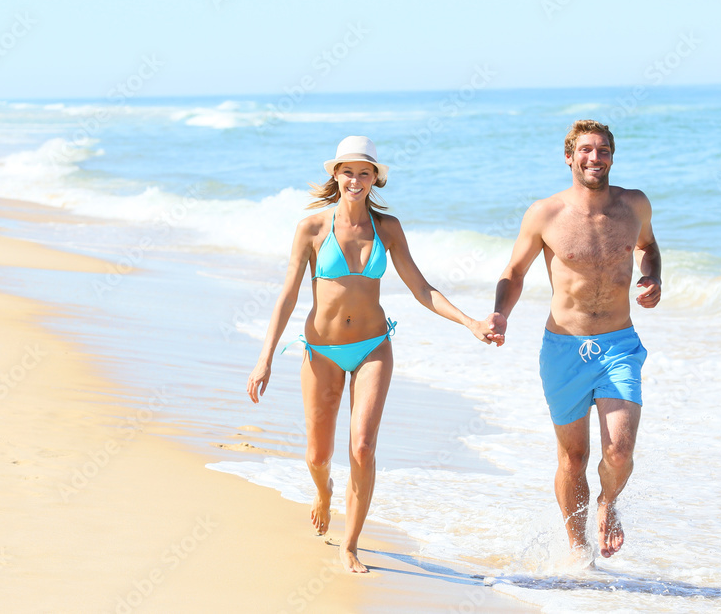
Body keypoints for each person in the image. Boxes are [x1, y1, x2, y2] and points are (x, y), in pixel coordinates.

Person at [247, 135, 491, 573]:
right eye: (348, 171)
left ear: (375, 178)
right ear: (335, 175)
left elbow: (421, 288)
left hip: (374, 347)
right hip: (321, 350)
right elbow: (287, 295)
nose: (355, 180)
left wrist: (470, 322)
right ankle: (323, 492)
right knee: (317, 457)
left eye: (364, 172)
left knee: (362, 447)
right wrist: (265, 357)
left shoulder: (388, 228)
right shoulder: (312, 228)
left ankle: (350, 545)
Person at [485, 120, 661, 564]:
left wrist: (653, 274)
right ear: (569, 157)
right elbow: (515, 271)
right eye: (585, 150)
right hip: (564, 348)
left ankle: (608, 502)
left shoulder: (634, 204)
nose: (594, 158)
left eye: (603, 150)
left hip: (619, 343)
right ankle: (578, 552)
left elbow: (649, 246)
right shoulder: (545, 214)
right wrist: (501, 314)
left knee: (619, 452)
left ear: (612, 157)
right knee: (574, 456)